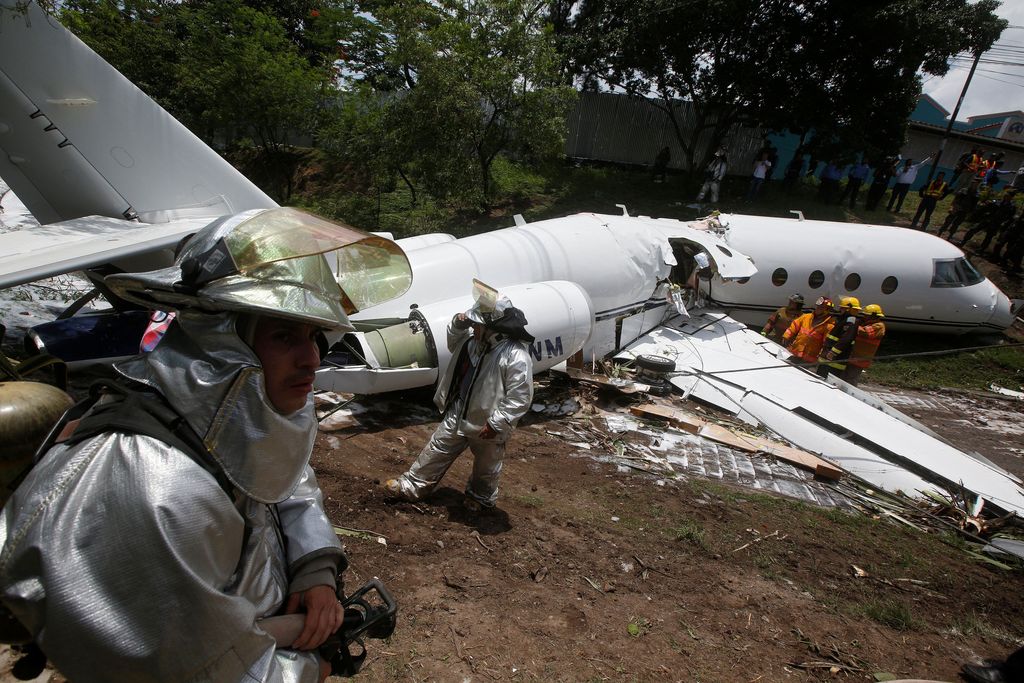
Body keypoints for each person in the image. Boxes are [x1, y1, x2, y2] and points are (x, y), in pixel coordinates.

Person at [0, 208, 410, 682]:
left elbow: (281, 467)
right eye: (283, 336)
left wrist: (313, 567)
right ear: (218, 344)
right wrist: (310, 668)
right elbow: (191, 670)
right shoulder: (157, 493)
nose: (312, 358)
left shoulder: (225, 420)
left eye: (314, 336)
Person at [385, 292, 534, 511]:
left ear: (493, 328)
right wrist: (457, 323)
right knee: (437, 448)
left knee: (487, 465)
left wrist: (496, 424)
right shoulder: (473, 344)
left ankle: (480, 499)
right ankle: (411, 486)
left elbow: (519, 397)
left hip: (488, 422)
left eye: (478, 325)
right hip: (459, 410)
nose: (474, 328)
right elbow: (453, 341)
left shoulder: (515, 356)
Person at [816, 296, 862, 379]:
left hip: (834, 361)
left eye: (843, 308)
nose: (840, 310)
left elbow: (846, 339)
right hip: (829, 359)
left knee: (826, 382)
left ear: (848, 309)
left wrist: (833, 352)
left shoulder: (851, 321)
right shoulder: (844, 320)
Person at [841, 304, 885, 386]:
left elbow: (865, 332)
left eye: (866, 315)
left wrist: (852, 326)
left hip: (860, 359)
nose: (864, 317)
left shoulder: (879, 326)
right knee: (842, 377)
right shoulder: (865, 323)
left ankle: (849, 397)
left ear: (874, 316)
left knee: (850, 380)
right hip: (852, 356)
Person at [781, 296, 833, 365]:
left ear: (827, 310)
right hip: (795, 353)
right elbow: (794, 326)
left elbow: (826, 344)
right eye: (818, 306)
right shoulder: (806, 317)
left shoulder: (829, 326)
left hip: (809, 361)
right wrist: (786, 336)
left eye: (821, 307)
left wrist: (820, 358)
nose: (818, 309)